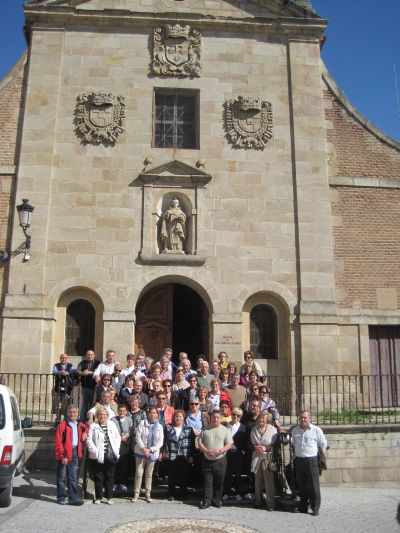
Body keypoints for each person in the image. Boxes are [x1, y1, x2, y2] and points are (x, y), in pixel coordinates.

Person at [291, 410, 327, 516]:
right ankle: (303, 507)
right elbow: (293, 443)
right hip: (299, 460)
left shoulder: (316, 430)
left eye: (305, 418)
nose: (303, 420)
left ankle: (315, 508)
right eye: (301, 418)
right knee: (302, 485)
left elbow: (323, 444)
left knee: (314, 485)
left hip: (311, 460)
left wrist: (319, 456)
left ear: (309, 418)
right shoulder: (295, 430)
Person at [86, 406, 121, 505]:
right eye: (100, 414)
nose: (102, 416)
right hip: (98, 455)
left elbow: (117, 438)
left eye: (104, 414)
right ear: (97, 415)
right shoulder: (93, 425)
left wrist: (116, 450)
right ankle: (98, 497)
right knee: (99, 477)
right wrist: (95, 451)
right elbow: (89, 440)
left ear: (107, 416)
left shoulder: (112, 424)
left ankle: (109, 497)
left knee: (110, 476)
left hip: (110, 454)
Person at [198, 410, 233, 509]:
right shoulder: (205, 429)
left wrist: (220, 451)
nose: (215, 419)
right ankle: (207, 501)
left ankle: (216, 500)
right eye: (213, 417)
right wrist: (205, 450)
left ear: (220, 418)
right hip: (207, 459)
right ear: (210, 418)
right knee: (207, 482)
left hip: (220, 459)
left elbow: (229, 444)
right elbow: (200, 442)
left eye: (217, 417)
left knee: (219, 481)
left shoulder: (225, 430)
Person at [54, 404, 87, 506]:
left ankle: (73, 497)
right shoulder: (62, 426)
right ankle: (61, 496)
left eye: (74, 412)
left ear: (77, 414)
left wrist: (86, 432)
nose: (72, 414)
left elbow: (86, 428)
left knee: (72, 477)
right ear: (67, 413)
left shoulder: (80, 425)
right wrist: (62, 455)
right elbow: (58, 442)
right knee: (62, 477)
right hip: (65, 453)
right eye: (70, 412)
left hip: (75, 453)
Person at [132, 407, 164, 503]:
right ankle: (136, 494)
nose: (152, 415)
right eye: (151, 413)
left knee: (149, 474)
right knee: (138, 473)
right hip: (141, 452)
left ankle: (147, 494)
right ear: (148, 414)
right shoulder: (142, 423)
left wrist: (150, 450)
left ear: (157, 415)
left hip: (152, 453)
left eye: (154, 413)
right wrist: (143, 448)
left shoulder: (160, 426)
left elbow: (160, 442)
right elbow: (138, 436)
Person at [164, 410, 195, 501]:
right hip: (172, 455)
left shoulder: (189, 429)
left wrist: (191, 456)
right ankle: (171, 494)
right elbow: (165, 442)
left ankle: (183, 494)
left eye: (180, 416)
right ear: (174, 417)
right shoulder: (168, 428)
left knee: (183, 476)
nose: (178, 418)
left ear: (183, 418)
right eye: (177, 416)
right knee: (172, 476)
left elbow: (192, 443)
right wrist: (164, 453)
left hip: (184, 456)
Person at [250, 411, 277, 511]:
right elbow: (252, 442)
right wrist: (256, 447)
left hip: (267, 457)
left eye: (263, 418)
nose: (261, 420)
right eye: (260, 418)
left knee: (268, 481)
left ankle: (270, 504)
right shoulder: (254, 429)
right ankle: (258, 501)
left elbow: (275, 444)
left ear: (267, 420)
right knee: (258, 481)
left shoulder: (273, 430)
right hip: (257, 457)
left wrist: (266, 448)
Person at [223, 407, 246, 501]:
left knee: (238, 474)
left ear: (240, 417)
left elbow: (244, 441)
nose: (235, 416)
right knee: (227, 474)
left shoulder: (243, 427)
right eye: (233, 414)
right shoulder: (225, 426)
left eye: (238, 415)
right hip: (227, 453)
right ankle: (226, 493)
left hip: (238, 454)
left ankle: (238, 493)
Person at [112, 404, 133, 493]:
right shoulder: (113, 420)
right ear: (118, 411)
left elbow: (131, 430)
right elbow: (111, 430)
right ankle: (115, 483)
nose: (122, 412)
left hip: (125, 445)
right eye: (120, 411)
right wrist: (118, 437)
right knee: (116, 465)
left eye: (123, 411)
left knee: (124, 465)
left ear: (126, 412)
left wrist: (126, 436)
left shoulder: (129, 420)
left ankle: (122, 483)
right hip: (116, 445)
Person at [77, 349, 100, 422]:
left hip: (94, 387)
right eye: (88, 354)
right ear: (86, 356)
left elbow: (99, 372)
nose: (90, 356)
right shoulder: (82, 363)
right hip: (85, 386)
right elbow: (77, 371)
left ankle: (91, 420)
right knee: (85, 404)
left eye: (91, 354)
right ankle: (83, 420)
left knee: (93, 404)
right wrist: (82, 373)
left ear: (94, 355)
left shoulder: (98, 363)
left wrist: (90, 373)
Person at [52, 353, 75, 422]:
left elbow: (73, 371)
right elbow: (54, 371)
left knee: (66, 405)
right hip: (57, 388)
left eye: (65, 358)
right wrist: (60, 372)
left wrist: (67, 372)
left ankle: (65, 419)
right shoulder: (56, 365)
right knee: (57, 404)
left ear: (67, 359)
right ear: (60, 359)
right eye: (62, 358)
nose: (63, 359)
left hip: (67, 388)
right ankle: (58, 418)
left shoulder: (70, 365)